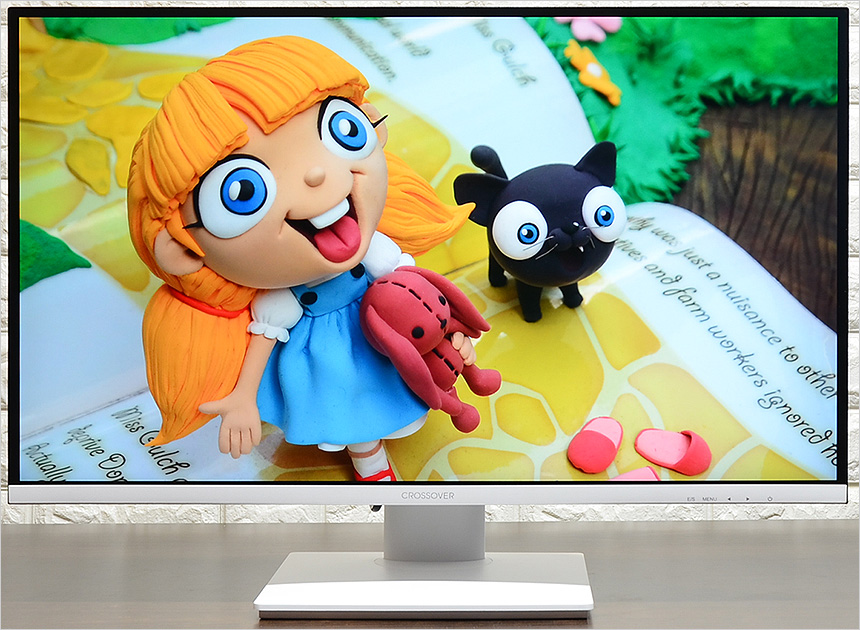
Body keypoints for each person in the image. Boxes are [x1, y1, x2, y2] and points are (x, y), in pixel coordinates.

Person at [127, 36, 474, 480]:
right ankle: (371, 466)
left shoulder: (378, 254)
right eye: (242, 191)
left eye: (343, 130)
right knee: (351, 416)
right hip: (328, 359)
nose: (315, 172)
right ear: (181, 250)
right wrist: (242, 398)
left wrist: (452, 329)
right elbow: (264, 338)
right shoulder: (280, 299)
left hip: (394, 329)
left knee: (408, 380)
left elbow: (420, 292)